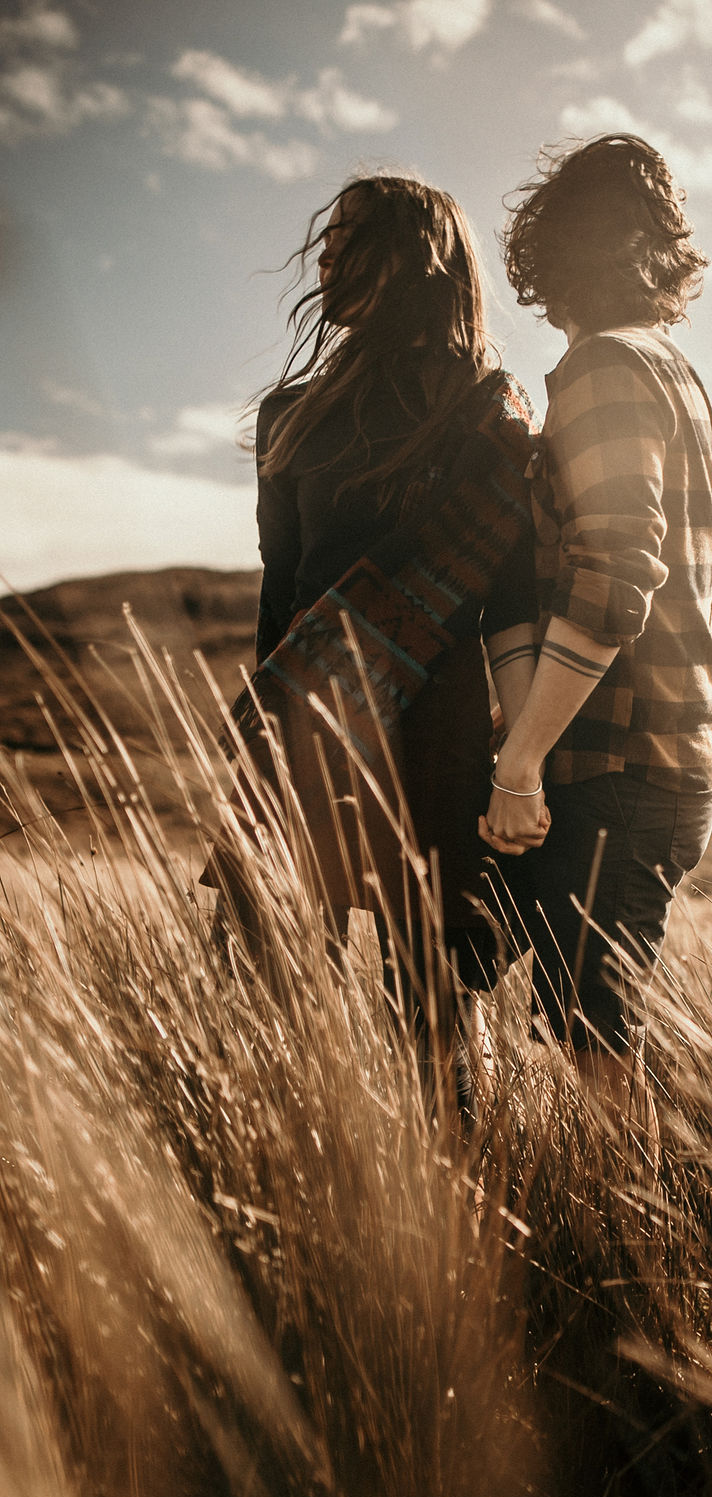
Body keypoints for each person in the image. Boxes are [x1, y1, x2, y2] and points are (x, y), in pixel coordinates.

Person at [206, 174, 541, 1040]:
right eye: (328, 235)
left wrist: (525, 761)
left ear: (417, 255)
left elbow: (509, 608)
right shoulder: (290, 416)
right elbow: (280, 603)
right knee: (264, 1012)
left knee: (427, 1029)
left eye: (351, 233)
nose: (325, 252)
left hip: (436, 746)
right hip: (304, 728)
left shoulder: (485, 414)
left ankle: (447, 1182)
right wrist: (263, 745)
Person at [479, 135, 712, 1106]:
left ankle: (650, 1237)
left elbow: (617, 574)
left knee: (593, 1045)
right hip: (655, 760)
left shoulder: (603, 370)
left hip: (621, 763)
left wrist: (518, 760)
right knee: (571, 1022)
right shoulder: (674, 372)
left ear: (554, 249)